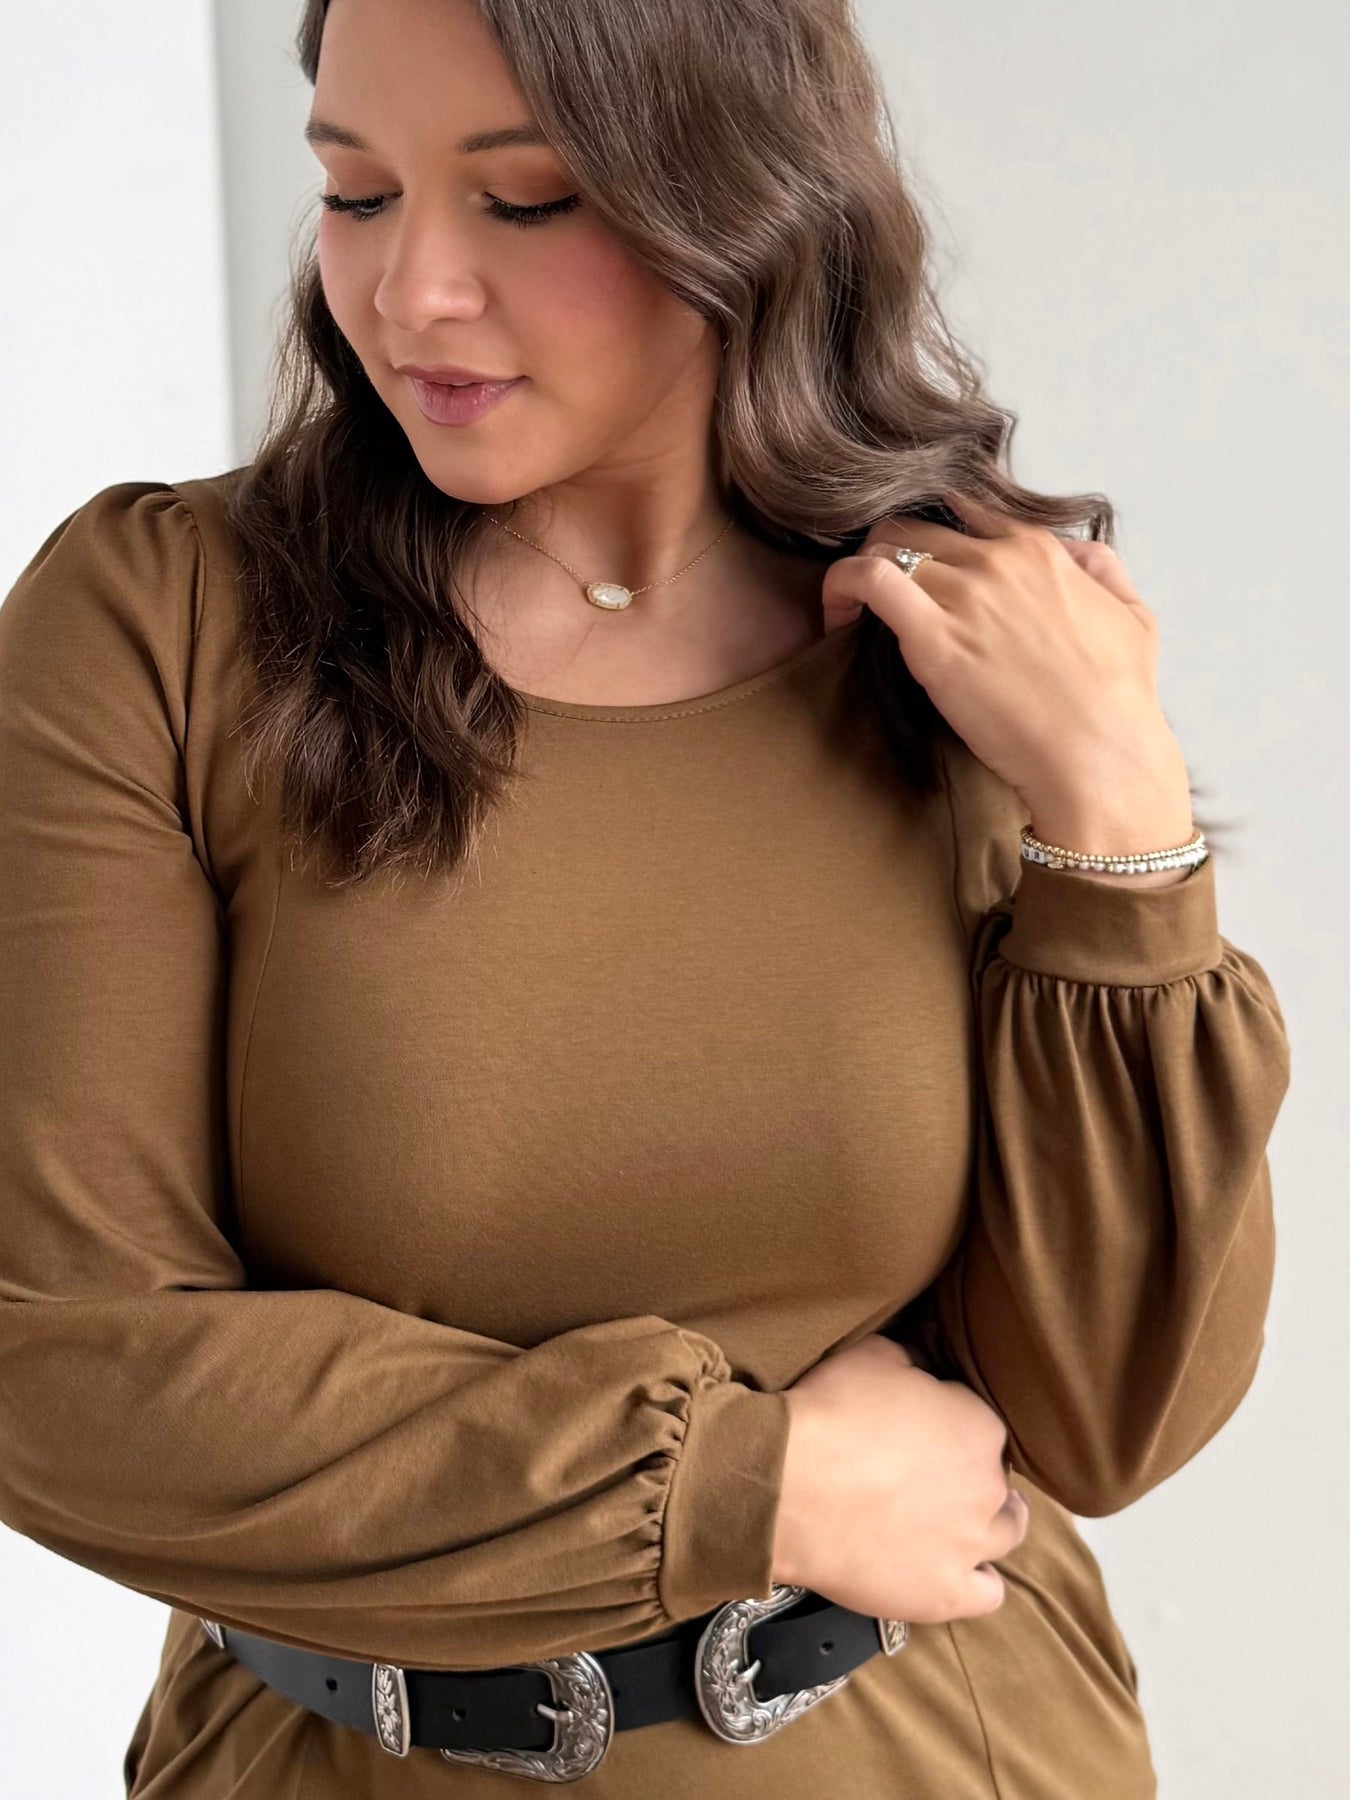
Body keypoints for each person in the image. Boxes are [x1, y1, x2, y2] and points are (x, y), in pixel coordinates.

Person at [0, 0, 1289, 1795]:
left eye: (523, 200)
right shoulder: (166, 624)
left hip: (941, 1754)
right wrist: (744, 1489)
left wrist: (1117, 821)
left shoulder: (950, 645)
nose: (410, 290)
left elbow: (1111, 1410)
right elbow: (58, 1363)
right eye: (356, 192)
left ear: (740, 194)